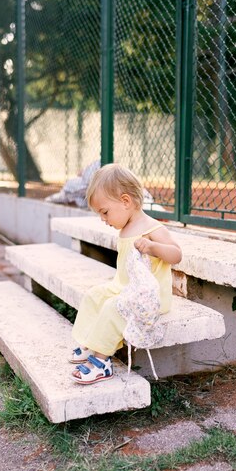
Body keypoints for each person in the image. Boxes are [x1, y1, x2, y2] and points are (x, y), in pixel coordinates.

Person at [70, 163, 182, 384]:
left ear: (125, 201)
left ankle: (102, 362)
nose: (103, 219)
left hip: (149, 297)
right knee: (94, 295)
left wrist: (153, 247)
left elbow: (176, 255)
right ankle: (91, 343)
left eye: (105, 212)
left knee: (113, 308)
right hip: (123, 286)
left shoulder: (153, 228)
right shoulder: (125, 228)